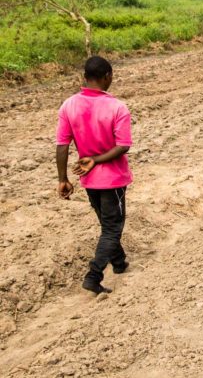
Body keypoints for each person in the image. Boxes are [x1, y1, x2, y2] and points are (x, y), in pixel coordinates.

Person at [56, 56, 133, 295]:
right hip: (113, 179)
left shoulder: (68, 105)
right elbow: (123, 145)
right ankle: (94, 275)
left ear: (84, 78)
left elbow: (62, 145)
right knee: (112, 228)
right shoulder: (117, 107)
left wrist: (62, 179)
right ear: (108, 76)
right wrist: (97, 160)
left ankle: (119, 263)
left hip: (88, 179)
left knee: (107, 223)